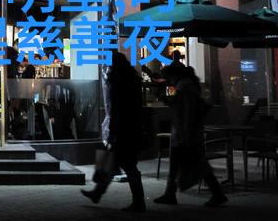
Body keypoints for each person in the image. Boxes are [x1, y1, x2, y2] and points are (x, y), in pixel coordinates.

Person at [81, 51, 146, 212]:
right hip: (132, 128)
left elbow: (117, 110)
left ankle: (138, 201)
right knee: (115, 162)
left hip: (123, 130)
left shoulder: (119, 82)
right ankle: (98, 193)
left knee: (126, 165)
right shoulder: (132, 80)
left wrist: (112, 132)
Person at [154, 66, 228, 207]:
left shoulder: (184, 86)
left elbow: (188, 110)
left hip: (185, 134)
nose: (168, 81)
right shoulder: (187, 85)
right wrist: (167, 100)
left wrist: (187, 132)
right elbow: (182, 106)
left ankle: (216, 193)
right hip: (186, 132)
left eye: (168, 77)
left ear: (173, 75)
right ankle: (171, 193)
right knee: (188, 163)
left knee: (195, 164)